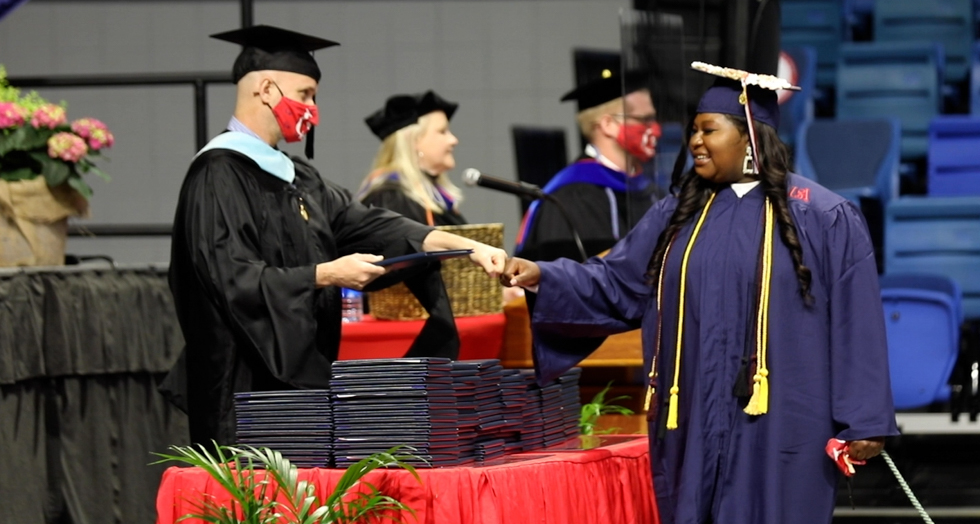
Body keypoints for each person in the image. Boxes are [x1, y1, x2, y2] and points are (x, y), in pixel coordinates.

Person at [502, 65, 898, 524]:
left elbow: (857, 320)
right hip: (688, 424)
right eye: (693, 130)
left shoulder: (822, 216)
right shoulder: (679, 214)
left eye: (709, 129)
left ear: (751, 135)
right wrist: (542, 276)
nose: (694, 141)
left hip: (782, 427)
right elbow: (616, 283)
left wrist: (865, 418)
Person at [163, 25, 506, 446]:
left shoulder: (299, 177)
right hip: (242, 393)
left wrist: (465, 246)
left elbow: (374, 225)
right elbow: (232, 280)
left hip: (299, 389)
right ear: (267, 89)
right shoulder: (217, 175)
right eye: (305, 94)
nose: (313, 109)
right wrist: (325, 275)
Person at [514, 67, 660, 262]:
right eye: (645, 119)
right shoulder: (572, 196)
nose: (655, 130)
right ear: (608, 125)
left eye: (654, 118)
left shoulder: (649, 190)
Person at [358, 91, 467, 226]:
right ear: (414, 141)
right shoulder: (389, 200)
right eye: (442, 131)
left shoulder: (434, 198)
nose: (453, 140)